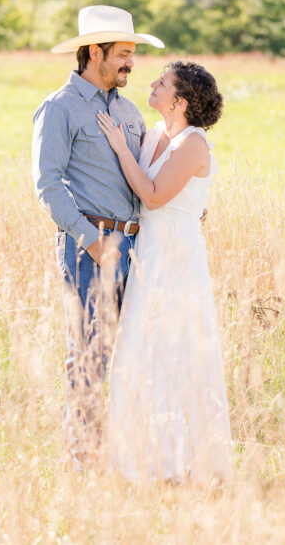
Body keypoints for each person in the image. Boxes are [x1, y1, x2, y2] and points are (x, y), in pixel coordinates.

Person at [32, 5, 164, 469]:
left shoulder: (129, 112)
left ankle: (129, 453)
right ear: (94, 52)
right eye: (123, 54)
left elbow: (146, 177)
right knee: (89, 352)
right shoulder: (59, 108)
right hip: (91, 247)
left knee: (137, 351)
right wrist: (89, 239)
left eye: (132, 54)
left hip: (139, 245)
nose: (131, 63)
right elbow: (47, 184)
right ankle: (83, 460)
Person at [96, 60, 233, 484]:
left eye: (162, 83)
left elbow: (154, 196)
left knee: (176, 352)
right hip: (148, 255)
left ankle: (181, 462)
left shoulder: (195, 144)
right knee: (139, 347)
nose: (152, 85)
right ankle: (137, 455)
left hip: (177, 259)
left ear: (180, 102)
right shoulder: (153, 135)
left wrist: (120, 149)